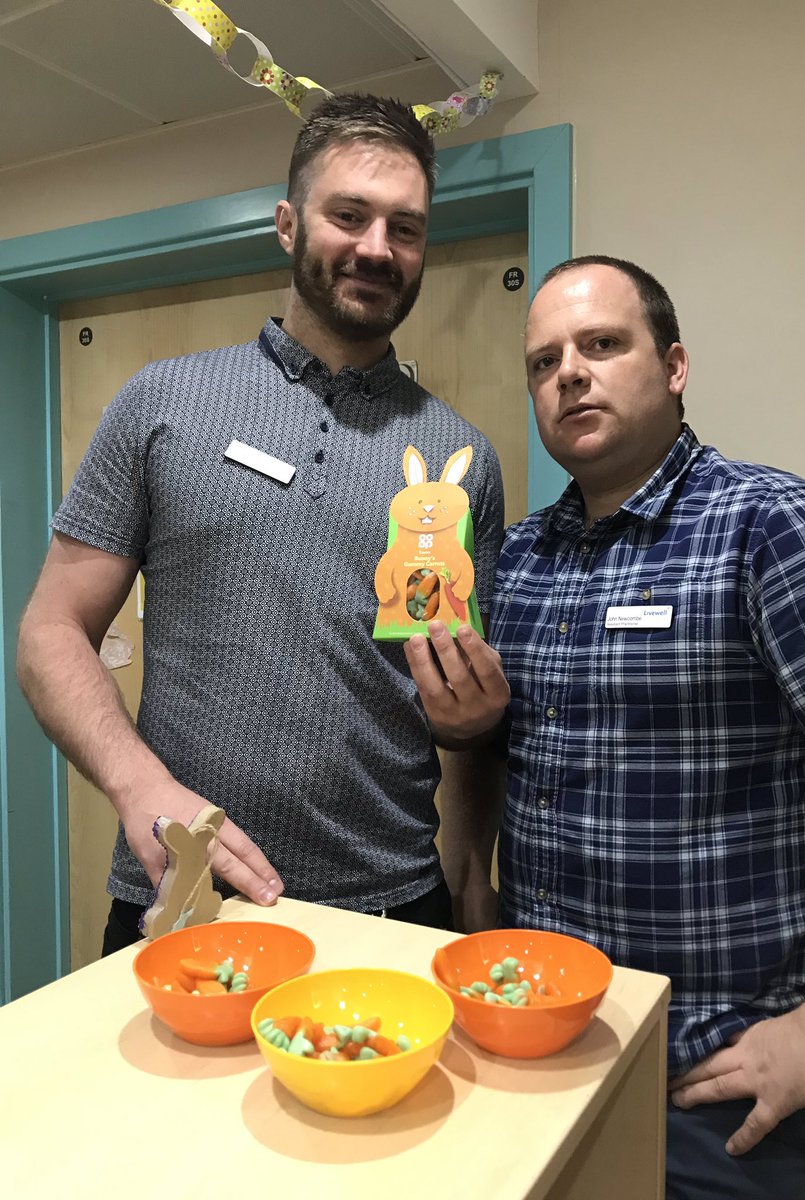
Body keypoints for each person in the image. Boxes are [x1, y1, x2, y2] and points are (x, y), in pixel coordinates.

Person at [404, 255, 805, 1198]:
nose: (570, 375)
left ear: (673, 367)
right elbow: (493, 752)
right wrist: (471, 889)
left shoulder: (776, 528)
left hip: (711, 1088)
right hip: (532, 1047)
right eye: (544, 361)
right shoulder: (516, 561)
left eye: (602, 345)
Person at [16, 93, 504, 954]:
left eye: (406, 227)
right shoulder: (161, 402)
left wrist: (471, 772)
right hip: (183, 892)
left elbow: (456, 715)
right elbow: (50, 629)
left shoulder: (462, 458)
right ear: (288, 224)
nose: (376, 248)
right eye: (348, 216)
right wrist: (138, 786)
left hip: (392, 909)